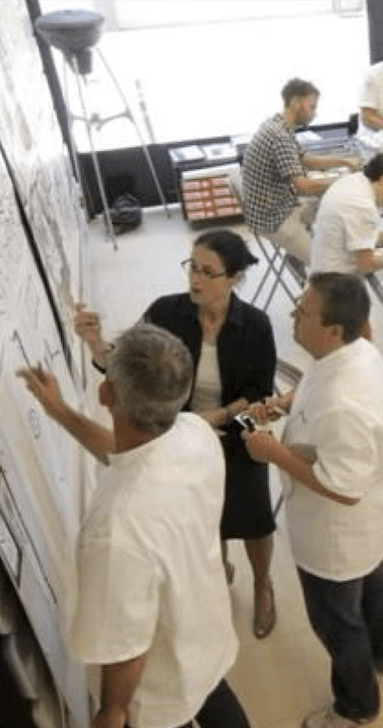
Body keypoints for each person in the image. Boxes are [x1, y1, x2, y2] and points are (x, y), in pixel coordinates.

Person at [18, 323, 263, 728]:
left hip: (159, 680)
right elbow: (123, 450)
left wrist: (113, 713)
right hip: (204, 622)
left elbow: (126, 647)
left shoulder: (118, 526)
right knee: (214, 694)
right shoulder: (193, 432)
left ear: (107, 392)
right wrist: (59, 412)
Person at [73, 230, 280, 639]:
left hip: (238, 432)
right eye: (192, 267)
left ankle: (262, 584)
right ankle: (219, 567)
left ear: (234, 278)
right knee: (205, 517)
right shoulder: (166, 312)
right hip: (178, 436)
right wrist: (96, 343)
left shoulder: (255, 326)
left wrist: (220, 419)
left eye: (207, 272)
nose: (195, 280)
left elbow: (258, 395)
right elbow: (129, 367)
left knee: (255, 516)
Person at [242, 272, 383, 728]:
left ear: (332, 330)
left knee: (337, 622)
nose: (293, 315)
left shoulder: (345, 403)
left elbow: (343, 489)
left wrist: (274, 453)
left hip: (337, 536)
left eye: (302, 312)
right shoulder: (356, 351)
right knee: (375, 585)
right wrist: (288, 403)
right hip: (370, 526)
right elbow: (319, 386)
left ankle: (356, 704)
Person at [240, 78, 362, 265]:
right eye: (312, 107)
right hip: (275, 219)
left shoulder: (276, 125)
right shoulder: (280, 136)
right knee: (329, 265)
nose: (315, 112)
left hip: (276, 206)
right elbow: (303, 187)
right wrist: (344, 181)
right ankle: (327, 258)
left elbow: (304, 158)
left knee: (332, 207)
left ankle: (335, 247)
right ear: (297, 103)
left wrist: (344, 161)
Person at [309, 153, 383, 275]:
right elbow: (367, 265)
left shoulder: (351, 181)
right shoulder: (362, 205)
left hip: (323, 268)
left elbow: (357, 235)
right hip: (336, 278)